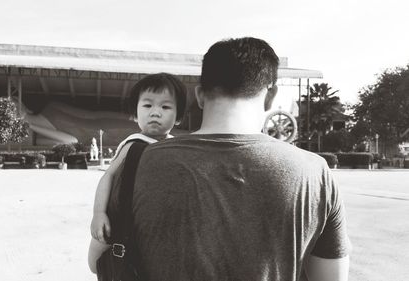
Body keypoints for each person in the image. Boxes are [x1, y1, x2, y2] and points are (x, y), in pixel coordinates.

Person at [132, 37, 351, 281]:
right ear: (271, 96)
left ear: (200, 96)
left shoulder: (142, 161)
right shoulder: (314, 172)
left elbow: (104, 257)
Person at [88, 72, 187, 273]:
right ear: (134, 113)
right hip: (119, 218)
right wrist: (99, 213)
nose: (155, 113)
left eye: (165, 107)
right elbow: (109, 176)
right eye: (147, 105)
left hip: (152, 225)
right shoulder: (134, 144)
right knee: (97, 265)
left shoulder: (177, 147)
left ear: (179, 117)